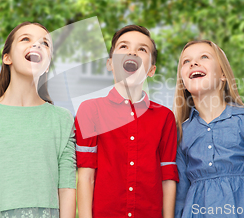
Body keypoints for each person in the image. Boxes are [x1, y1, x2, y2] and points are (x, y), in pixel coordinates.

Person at [0, 22, 76, 218]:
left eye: (45, 43)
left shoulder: (62, 120)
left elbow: (66, 190)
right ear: (7, 58)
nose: (37, 45)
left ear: (48, 64)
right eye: (26, 39)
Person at [75, 25, 178, 218]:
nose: (132, 52)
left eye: (142, 49)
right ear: (110, 64)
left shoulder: (165, 117)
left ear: (151, 70)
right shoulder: (90, 110)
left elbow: (168, 177)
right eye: (123, 47)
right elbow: (86, 176)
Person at [174, 40, 244, 218]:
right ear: (183, 82)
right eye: (186, 61)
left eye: (204, 57)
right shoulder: (181, 133)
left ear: (222, 74)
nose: (193, 63)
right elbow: (180, 197)